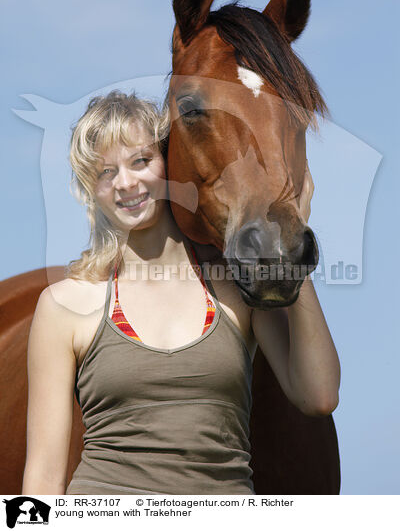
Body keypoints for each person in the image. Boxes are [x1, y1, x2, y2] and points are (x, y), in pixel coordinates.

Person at [22, 91, 340, 496]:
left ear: (169, 165)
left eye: (141, 161)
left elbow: (319, 395)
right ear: (92, 189)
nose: (126, 183)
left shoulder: (232, 286)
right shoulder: (64, 305)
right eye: (106, 172)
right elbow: (43, 480)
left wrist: (293, 239)